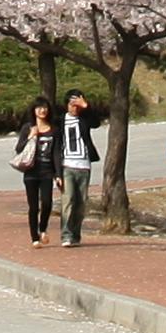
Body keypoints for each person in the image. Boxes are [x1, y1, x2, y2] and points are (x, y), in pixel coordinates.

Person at [9, 102, 64, 245]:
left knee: (47, 203)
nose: (42, 110)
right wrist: (30, 136)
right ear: (33, 111)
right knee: (33, 207)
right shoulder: (28, 128)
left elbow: (57, 153)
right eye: (39, 108)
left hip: (47, 172)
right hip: (31, 172)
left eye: (45, 107)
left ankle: (43, 228)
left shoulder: (54, 130)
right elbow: (18, 149)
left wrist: (58, 174)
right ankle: (34, 237)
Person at [56, 91, 104, 246]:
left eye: (77, 105)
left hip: (84, 165)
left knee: (81, 203)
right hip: (66, 166)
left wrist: (86, 106)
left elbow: (96, 123)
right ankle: (66, 235)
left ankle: (76, 235)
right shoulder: (60, 121)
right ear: (66, 105)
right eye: (72, 105)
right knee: (68, 200)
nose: (75, 108)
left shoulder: (84, 119)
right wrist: (56, 172)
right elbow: (56, 146)